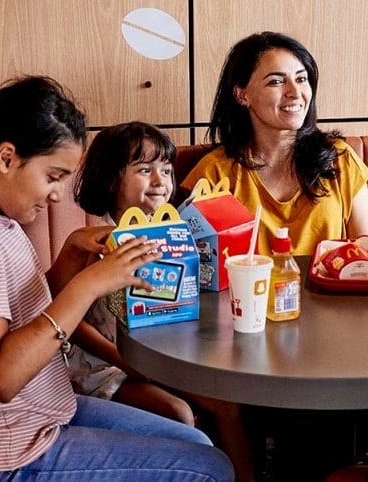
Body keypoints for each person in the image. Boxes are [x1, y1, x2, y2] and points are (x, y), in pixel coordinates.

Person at [0, 76, 232, 481]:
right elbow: (2, 376)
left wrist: (73, 250)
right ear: (6, 158)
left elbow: (26, 314)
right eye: (53, 176)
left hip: (39, 416)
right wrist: (90, 283)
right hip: (0, 456)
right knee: (209, 470)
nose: (57, 195)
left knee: (195, 444)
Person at [182, 31, 368, 467]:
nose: (295, 92)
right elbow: (195, 269)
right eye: (275, 81)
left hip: (335, 336)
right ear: (241, 94)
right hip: (248, 340)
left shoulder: (338, 159)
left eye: (302, 79)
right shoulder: (215, 173)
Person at [74, 120, 255, 481]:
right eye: (144, 170)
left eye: (167, 170)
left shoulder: (174, 236)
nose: (160, 181)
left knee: (229, 403)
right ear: (111, 178)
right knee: (177, 412)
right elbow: (71, 323)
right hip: (105, 370)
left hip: (162, 360)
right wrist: (125, 358)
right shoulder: (91, 243)